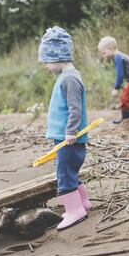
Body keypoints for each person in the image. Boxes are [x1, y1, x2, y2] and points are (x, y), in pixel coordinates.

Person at [38, 26, 92, 231]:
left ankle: (75, 212)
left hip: (69, 138)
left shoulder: (69, 77)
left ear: (57, 56)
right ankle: (83, 204)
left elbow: (75, 108)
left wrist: (70, 131)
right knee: (71, 172)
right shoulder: (67, 75)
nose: (45, 66)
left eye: (46, 61)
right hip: (67, 138)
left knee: (65, 175)